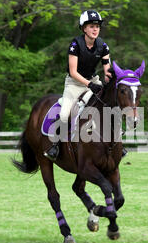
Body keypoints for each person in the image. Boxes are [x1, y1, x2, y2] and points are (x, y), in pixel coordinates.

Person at [44, 10, 127, 161]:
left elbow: (107, 70)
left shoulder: (103, 46)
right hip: (74, 84)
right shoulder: (76, 45)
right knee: (64, 115)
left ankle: (118, 144)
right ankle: (55, 146)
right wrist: (89, 84)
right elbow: (73, 71)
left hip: (93, 81)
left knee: (111, 107)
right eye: (91, 26)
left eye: (97, 26)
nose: (95, 29)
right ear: (84, 28)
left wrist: (110, 80)